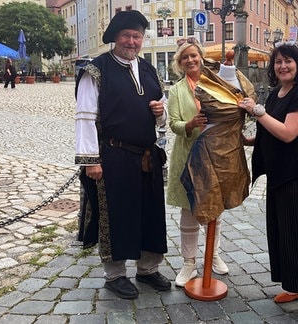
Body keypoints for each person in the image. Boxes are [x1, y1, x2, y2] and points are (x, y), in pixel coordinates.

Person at [74, 10, 170, 300]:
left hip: (146, 156)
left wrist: (160, 112)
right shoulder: (96, 70)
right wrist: (91, 160)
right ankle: (115, 275)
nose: (132, 41)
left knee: (150, 213)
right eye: (127, 35)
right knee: (116, 214)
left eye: (137, 36)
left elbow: (163, 113)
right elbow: (85, 116)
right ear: (115, 37)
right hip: (113, 155)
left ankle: (147, 268)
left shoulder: (149, 69)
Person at [238, 44, 298, 324]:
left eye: (288, 61)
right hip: (280, 172)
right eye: (278, 62)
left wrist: (256, 112)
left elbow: (289, 133)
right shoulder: (277, 93)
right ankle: (297, 286)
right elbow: (272, 128)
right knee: (283, 231)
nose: (282, 66)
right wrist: (249, 140)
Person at [167, 38, 256, 287]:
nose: (190, 60)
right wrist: (190, 124)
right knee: (189, 210)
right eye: (185, 57)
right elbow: (173, 124)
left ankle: (213, 255)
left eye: (194, 56)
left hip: (217, 155)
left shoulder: (217, 82)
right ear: (180, 63)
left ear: (201, 57)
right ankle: (189, 263)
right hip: (189, 156)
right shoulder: (176, 91)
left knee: (215, 206)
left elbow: (230, 116)